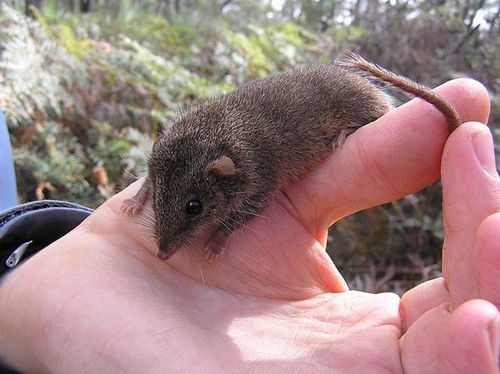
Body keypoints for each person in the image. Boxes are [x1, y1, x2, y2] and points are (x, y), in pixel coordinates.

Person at [0, 78, 498, 373]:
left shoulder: (243, 167)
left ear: (225, 179)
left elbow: (251, 199)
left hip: (346, 105)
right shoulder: (178, 149)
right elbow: (160, 170)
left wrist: (220, 232)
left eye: (194, 212)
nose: (167, 247)